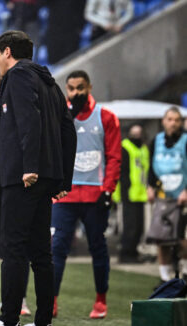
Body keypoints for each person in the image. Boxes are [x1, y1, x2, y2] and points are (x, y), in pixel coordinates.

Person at [0, 30, 76, 326]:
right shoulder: (50, 82)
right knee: (41, 252)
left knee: (13, 248)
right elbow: (68, 129)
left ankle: (9, 318)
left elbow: (28, 119)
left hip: (23, 177)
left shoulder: (17, 77)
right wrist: (64, 179)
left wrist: (29, 166)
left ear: (7, 52)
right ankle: (42, 321)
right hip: (48, 177)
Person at [51, 70, 121, 319]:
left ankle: (101, 301)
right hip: (64, 197)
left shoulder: (106, 117)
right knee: (56, 248)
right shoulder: (59, 117)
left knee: (98, 248)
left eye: (80, 87)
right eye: (71, 88)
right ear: (66, 89)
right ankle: (52, 301)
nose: (76, 93)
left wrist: (108, 189)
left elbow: (114, 156)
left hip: (94, 197)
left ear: (89, 87)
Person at [146, 107, 187, 282]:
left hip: (182, 196)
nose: (173, 123)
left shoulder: (185, 140)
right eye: (170, 119)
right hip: (163, 195)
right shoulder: (156, 140)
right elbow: (151, 165)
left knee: (182, 238)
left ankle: (184, 270)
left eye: (176, 120)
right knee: (160, 237)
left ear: (181, 122)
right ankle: (164, 277)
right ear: (164, 121)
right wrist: (150, 186)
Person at [116, 124, 149, 263]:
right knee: (130, 226)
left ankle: (134, 252)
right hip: (128, 193)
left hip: (141, 193)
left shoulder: (143, 149)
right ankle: (126, 254)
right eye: (134, 133)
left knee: (139, 226)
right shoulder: (125, 147)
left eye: (139, 132)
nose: (137, 136)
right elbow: (121, 172)